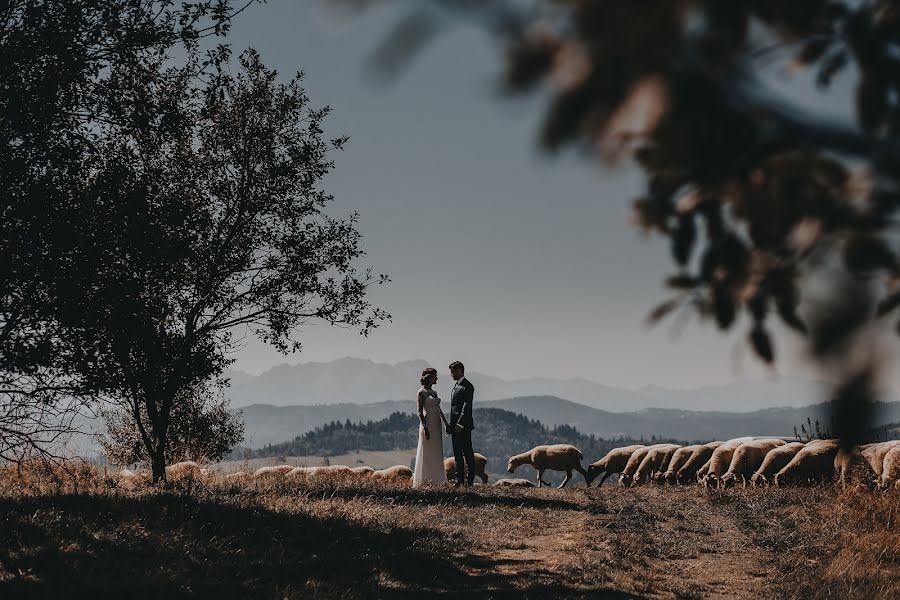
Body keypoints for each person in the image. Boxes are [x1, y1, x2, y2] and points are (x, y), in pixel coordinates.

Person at [412, 367, 450, 487]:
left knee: (436, 451)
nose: (437, 378)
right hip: (427, 423)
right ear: (430, 377)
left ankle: (437, 479)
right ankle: (424, 479)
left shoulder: (434, 393)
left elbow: (438, 409)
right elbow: (419, 411)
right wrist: (426, 427)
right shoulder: (421, 392)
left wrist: (445, 423)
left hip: (436, 424)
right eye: (435, 376)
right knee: (427, 451)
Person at [448, 361, 476, 486]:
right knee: (457, 453)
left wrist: (460, 424)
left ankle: (469, 481)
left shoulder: (467, 386)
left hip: (463, 426)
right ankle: (459, 480)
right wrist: (451, 425)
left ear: (459, 370)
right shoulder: (456, 386)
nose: (451, 374)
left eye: (453, 372)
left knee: (467, 453)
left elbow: (466, 407)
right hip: (455, 427)